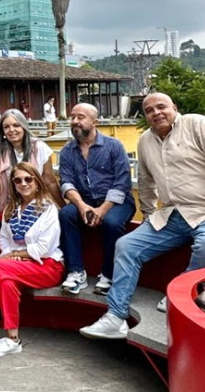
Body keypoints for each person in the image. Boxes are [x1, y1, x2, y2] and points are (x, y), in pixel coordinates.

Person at [80, 93, 205, 339]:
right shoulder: (145, 141)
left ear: (175, 108)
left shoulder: (197, 124)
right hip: (173, 216)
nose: (156, 113)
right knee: (126, 245)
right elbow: (146, 183)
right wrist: (149, 214)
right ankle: (115, 316)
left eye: (162, 107)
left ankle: (176, 293)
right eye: (149, 110)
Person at [0, 163, 63, 357]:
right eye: (18, 180)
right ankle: (13, 339)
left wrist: (16, 256)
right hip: (17, 265)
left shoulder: (49, 209)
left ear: (37, 182)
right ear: (13, 184)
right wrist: (13, 255)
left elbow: (44, 248)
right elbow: (4, 240)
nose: (23, 183)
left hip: (47, 266)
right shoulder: (11, 209)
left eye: (28, 179)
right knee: (6, 281)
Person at [58, 103, 136, 297]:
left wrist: (103, 209)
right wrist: (82, 205)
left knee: (111, 222)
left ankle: (108, 275)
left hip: (117, 201)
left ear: (95, 122)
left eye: (81, 117)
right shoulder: (68, 151)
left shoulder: (113, 146)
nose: (75, 121)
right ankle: (76, 272)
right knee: (66, 215)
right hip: (85, 200)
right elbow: (66, 183)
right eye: (73, 117)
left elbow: (123, 181)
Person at [0, 109, 61, 213]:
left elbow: (50, 181)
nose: (11, 130)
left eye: (16, 125)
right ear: (2, 131)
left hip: (36, 204)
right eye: (6, 127)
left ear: (24, 127)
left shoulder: (40, 147)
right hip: (9, 204)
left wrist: (63, 206)